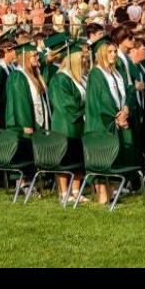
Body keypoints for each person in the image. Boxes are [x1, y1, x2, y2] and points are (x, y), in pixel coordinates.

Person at [85, 37, 136, 205]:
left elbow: (129, 91)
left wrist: (126, 109)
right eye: (110, 52)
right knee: (104, 158)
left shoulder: (117, 72)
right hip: (102, 123)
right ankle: (103, 196)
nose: (114, 54)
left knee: (116, 157)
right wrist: (116, 117)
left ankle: (112, 193)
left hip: (118, 120)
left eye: (115, 51)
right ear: (101, 53)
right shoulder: (96, 73)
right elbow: (101, 100)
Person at [47, 41, 88, 203]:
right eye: (82, 57)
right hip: (65, 125)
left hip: (79, 125)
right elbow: (67, 105)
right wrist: (88, 107)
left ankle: (76, 191)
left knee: (78, 159)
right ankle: (64, 192)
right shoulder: (60, 79)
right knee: (65, 159)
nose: (85, 60)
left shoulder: (81, 77)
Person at [5, 41, 51, 136]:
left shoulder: (34, 73)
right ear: (25, 57)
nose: (38, 57)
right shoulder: (18, 76)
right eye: (34, 55)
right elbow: (20, 103)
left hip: (39, 124)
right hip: (28, 127)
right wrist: (26, 125)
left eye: (37, 55)